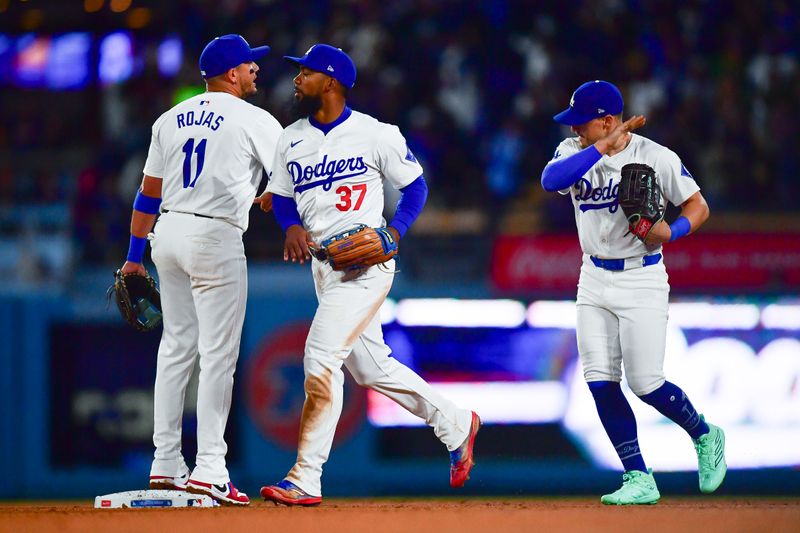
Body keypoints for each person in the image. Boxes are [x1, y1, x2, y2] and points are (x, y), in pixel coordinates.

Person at [255, 44, 480, 506]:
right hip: (325, 266)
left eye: (307, 73)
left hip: (367, 265)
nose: (297, 79)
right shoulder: (290, 136)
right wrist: (291, 224)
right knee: (371, 367)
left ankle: (306, 476)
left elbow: (415, 186)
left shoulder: (375, 133)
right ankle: (456, 422)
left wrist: (395, 233)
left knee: (320, 356)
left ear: (331, 82)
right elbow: (280, 195)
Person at [540, 80, 726, 505]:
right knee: (599, 380)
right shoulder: (574, 153)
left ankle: (704, 433)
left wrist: (671, 231)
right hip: (593, 276)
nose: (573, 130)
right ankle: (638, 476)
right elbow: (551, 181)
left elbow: (698, 206)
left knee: (646, 383)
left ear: (607, 120)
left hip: (641, 276)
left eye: (581, 123)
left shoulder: (655, 156)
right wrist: (600, 148)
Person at [119, 34, 283, 506]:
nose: (256, 70)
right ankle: (211, 466)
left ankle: (166, 461)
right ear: (231, 74)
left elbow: (148, 193)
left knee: (175, 348)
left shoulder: (169, 119)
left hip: (165, 235)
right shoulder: (254, 117)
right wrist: (280, 199)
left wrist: (133, 254)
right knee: (217, 355)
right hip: (215, 235)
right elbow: (291, 174)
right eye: (250, 64)